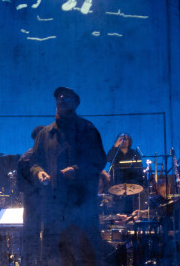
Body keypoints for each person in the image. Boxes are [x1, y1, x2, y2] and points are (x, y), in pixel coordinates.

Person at [29, 87, 106, 265]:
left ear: (76, 102)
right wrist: (39, 172)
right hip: (53, 209)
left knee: (85, 254)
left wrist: (76, 171)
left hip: (81, 207)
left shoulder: (87, 129)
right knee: (54, 256)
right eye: (59, 97)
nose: (62, 99)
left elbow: (99, 160)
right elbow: (34, 162)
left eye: (67, 96)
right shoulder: (45, 134)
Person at [17, 125, 45, 265]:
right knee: (32, 244)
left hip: (33, 208)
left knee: (31, 243)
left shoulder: (28, 157)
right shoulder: (29, 158)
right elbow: (23, 186)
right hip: (35, 207)